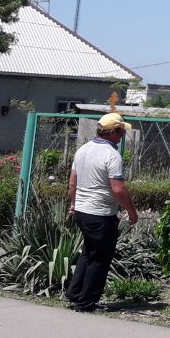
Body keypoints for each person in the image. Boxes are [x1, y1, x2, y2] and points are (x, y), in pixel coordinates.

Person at [65, 111, 139, 312]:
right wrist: (132, 212)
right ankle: (86, 303)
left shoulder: (83, 149)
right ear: (113, 132)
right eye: (122, 131)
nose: (123, 135)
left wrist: (74, 203)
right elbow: (118, 188)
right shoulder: (112, 155)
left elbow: (73, 182)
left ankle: (74, 294)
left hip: (82, 211)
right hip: (101, 214)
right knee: (100, 259)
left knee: (88, 253)